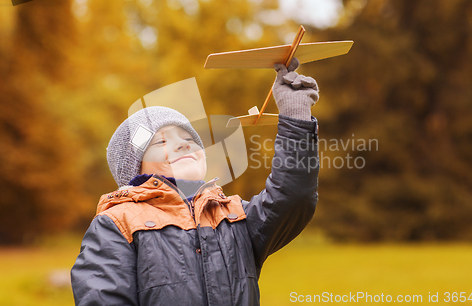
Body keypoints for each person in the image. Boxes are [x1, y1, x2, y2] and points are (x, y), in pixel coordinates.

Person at [71, 58, 320, 306]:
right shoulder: (117, 223)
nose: (183, 143)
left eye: (188, 137)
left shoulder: (234, 216)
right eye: (160, 141)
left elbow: (293, 196)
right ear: (135, 166)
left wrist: (296, 120)